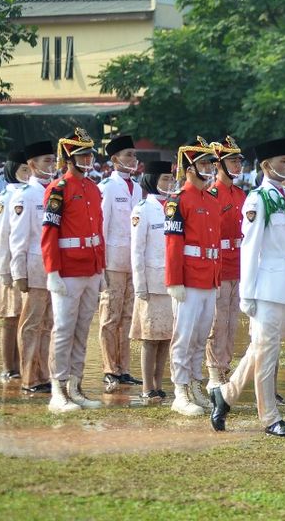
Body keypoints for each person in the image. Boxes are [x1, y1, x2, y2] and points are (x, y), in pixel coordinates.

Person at [210, 138, 285, 437]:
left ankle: (226, 395)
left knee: (261, 349)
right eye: (282, 162)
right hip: (263, 287)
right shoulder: (257, 199)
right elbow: (249, 249)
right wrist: (247, 294)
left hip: (283, 285)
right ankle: (270, 418)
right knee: (267, 354)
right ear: (266, 165)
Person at [41, 128, 105, 412]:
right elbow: (49, 233)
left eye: (90, 154)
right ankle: (57, 389)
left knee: (82, 330)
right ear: (68, 158)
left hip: (91, 269)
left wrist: (100, 268)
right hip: (67, 270)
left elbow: (98, 231)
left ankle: (75, 386)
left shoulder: (92, 188)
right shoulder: (58, 189)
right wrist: (52, 271)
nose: (88, 159)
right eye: (82, 155)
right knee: (64, 329)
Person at [165, 137, 222, 416]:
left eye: (211, 162)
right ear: (189, 168)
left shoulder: (211, 199)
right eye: (203, 163)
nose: (209, 167)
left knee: (201, 337)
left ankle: (196, 384)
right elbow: (173, 244)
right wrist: (174, 280)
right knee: (184, 337)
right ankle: (180, 390)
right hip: (188, 278)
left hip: (209, 276)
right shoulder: (178, 200)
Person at [10, 140, 56, 395]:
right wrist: (19, 273)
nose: (51, 165)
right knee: (30, 324)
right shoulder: (25, 196)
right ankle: (29, 377)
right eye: (46, 161)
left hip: (53, 269)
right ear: (32, 165)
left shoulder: (54, 191)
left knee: (48, 323)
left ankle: (44, 374)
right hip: (34, 267)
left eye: (53, 160)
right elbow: (18, 239)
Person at [98, 134, 141, 391]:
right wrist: (101, 264)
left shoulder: (136, 188)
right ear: (115, 159)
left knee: (127, 316)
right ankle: (108, 368)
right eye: (128, 155)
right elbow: (102, 227)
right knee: (109, 315)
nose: (133, 160)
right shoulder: (107, 187)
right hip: (112, 260)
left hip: (132, 261)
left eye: (134, 155)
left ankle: (124, 368)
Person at [130, 160, 176, 402]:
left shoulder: (173, 205)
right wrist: (140, 286)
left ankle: (159, 383)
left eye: (170, 179)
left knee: (166, 336)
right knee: (149, 338)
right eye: (164, 179)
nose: (169, 183)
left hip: (170, 282)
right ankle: (148, 386)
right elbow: (137, 250)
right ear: (152, 180)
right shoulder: (142, 209)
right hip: (151, 281)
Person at [205, 136, 247, 391]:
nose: (238, 165)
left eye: (239, 161)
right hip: (219, 264)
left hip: (238, 264)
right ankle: (213, 372)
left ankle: (225, 367)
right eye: (232, 161)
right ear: (218, 164)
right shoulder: (212, 194)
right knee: (217, 322)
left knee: (232, 322)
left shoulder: (241, 194)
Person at [0, 151, 28, 383]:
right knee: (10, 318)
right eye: (23, 170)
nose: (27, 174)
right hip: (9, 266)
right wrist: (5, 270)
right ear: (13, 171)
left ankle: (21, 365)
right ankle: (8, 367)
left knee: (23, 319)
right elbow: (4, 236)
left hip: (24, 264)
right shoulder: (7, 196)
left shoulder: (27, 193)